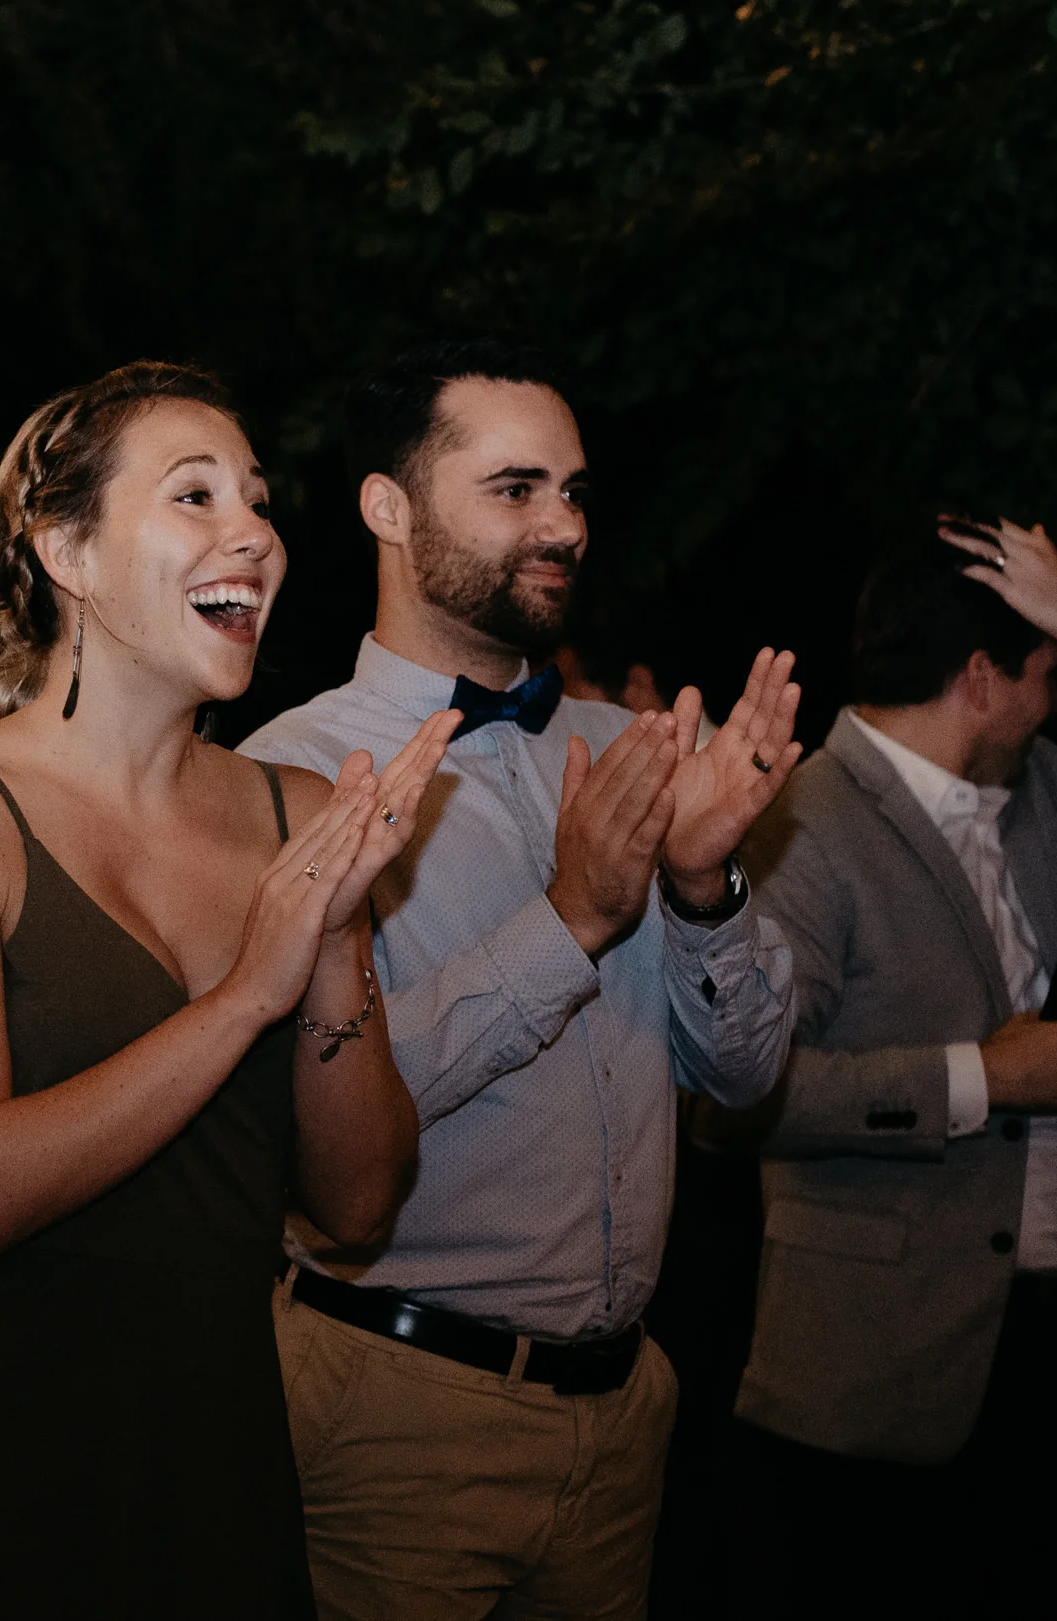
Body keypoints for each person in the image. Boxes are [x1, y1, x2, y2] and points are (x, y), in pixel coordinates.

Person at [0, 362, 450, 1619]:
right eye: (195, 495)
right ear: (69, 551)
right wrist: (238, 998)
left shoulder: (302, 812)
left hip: (214, 1454)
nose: (255, 533)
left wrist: (327, 936)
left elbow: (358, 1202)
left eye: (259, 501)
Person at [238, 336, 801, 1621]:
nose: (563, 525)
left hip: (626, 1413)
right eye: (514, 489)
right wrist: (575, 917)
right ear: (388, 507)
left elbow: (750, 1078)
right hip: (393, 1412)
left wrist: (704, 888)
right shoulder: (285, 775)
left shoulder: (636, 750)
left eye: (575, 491)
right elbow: (310, 1135)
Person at [723, 519, 1057, 1619]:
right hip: (882, 1364)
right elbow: (740, 1095)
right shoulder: (802, 822)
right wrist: (984, 1079)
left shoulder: (1043, 790)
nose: (1055, 703)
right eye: (1048, 675)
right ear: (980, 676)